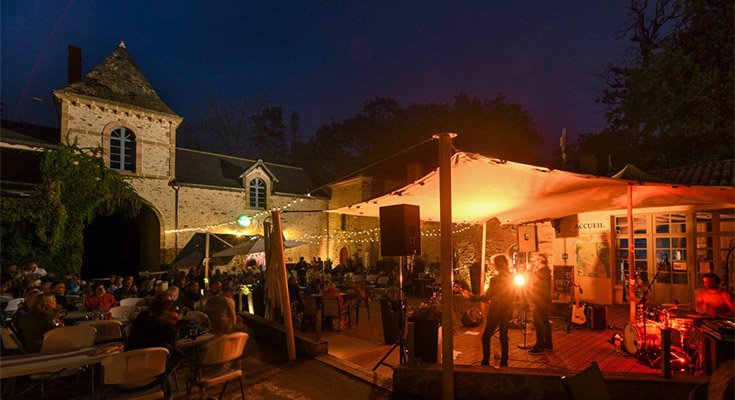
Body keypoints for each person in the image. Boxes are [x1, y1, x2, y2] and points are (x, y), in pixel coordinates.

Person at [460, 254, 514, 367]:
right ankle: (504, 361)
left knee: (486, 336)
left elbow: (489, 296)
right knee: (504, 337)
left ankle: (485, 361)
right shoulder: (511, 278)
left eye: (494, 264)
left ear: (498, 265)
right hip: (507, 311)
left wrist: (472, 297)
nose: (492, 266)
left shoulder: (496, 280)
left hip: (496, 312)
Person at [126, 293, 183, 397]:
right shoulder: (165, 325)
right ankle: (165, 390)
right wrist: (173, 324)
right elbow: (173, 342)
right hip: (150, 364)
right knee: (176, 354)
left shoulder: (142, 316)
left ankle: (166, 391)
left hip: (131, 360)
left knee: (164, 358)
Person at [529, 254, 553, 353]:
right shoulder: (546, 272)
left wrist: (529, 270)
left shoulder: (542, 273)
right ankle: (548, 343)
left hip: (540, 301)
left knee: (538, 323)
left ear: (539, 261)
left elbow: (530, 280)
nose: (534, 263)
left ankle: (539, 345)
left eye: (535, 261)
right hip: (543, 300)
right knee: (544, 322)